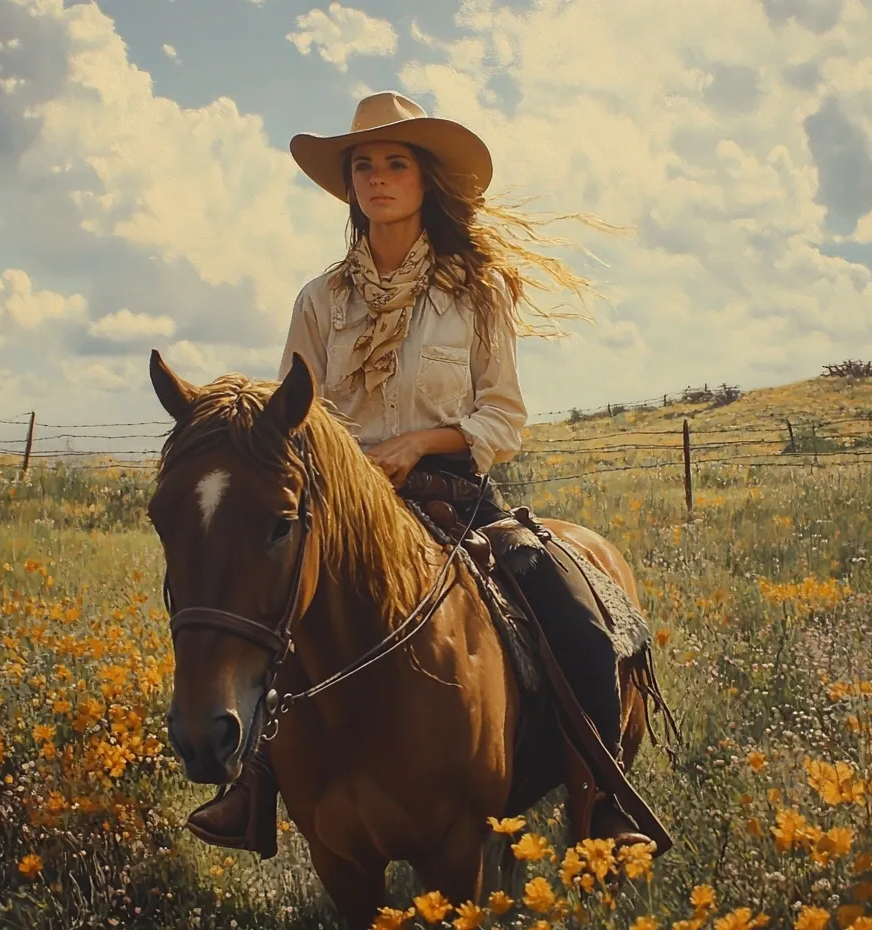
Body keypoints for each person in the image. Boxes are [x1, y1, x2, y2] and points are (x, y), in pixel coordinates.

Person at [185, 91, 657, 858]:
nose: (376, 178)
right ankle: (253, 789)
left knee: (570, 607)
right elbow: (291, 418)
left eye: (394, 163)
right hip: (341, 511)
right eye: (363, 165)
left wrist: (418, 442)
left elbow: (502, 415)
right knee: (256, 605)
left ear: (425, 180)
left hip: (452, 496)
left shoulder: (477, 292)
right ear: (349, 187)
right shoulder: (320, 299)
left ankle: (602, 800)